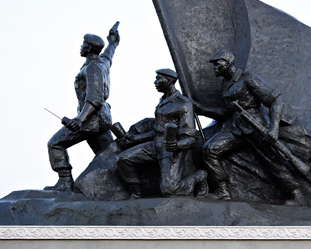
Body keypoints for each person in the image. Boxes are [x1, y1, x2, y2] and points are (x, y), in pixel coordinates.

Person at [201, 49, 303, 204]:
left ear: (228, 63)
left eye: (217, 64)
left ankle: (295, 193)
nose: (214, 67)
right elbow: (225, 112)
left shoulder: (248, 78)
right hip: (235, 128)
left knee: (272, 160)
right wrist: (201, 110)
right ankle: (222, 191)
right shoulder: (225, 85)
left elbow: (276, 100)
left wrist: (274, 128)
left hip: (255, 126)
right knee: (209, 150)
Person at [45, 22, 120, 192]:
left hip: (91, 120)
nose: (80, 47)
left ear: (88, 48)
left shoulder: (93, 67)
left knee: (55, 144)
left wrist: (79, 120)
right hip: (102, 119)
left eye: (83, 45)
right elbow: (109, 55)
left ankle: (65, 182)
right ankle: (124, 185)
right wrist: (113, 42)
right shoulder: (102, 62)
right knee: (108, 156)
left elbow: (94, 98)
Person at [116, 69, 208, 198]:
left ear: (169, 81)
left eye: (159, 79)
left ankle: (199, 177)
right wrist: (135, 139)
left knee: (170, 191)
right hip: (156, 144)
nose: (155, 82)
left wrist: (176, 146)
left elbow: (191, 137)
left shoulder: (183, 104)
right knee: (122, 159)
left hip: (172, 149)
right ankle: (136, 193)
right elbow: (157, 130)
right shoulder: (162, 101)